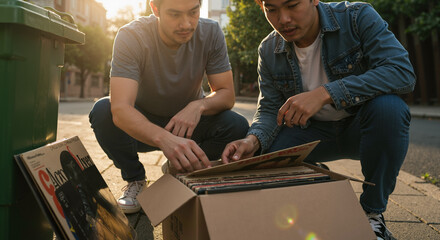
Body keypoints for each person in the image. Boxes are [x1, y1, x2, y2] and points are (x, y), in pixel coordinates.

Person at [221, 0, 415, 239]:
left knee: (390, 109)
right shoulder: (268, 49)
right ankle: (317, 180)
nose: (283, 19)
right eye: (271, 9)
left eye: (292, 5)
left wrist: (325, 93)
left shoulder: (356, 17)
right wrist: (252, 140)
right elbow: (270, 109)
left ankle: (372, 215)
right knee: (264, 156)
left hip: (361, 128)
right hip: (311, 134)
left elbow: (401, 72)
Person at [89, 0, 249, 214]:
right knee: (103, 111)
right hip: (142, 125)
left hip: (188, 126)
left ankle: (180, 168)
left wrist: (198, 106)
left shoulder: (211, 32)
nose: (186, 24)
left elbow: (226, 94)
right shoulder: (131, 36)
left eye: (193, 12)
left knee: (237, 125)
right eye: (175, 14)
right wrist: (164, 139)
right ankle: (135, 178)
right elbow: (120, 109)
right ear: (155, 8)